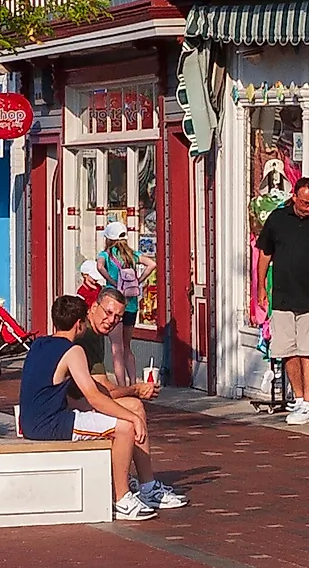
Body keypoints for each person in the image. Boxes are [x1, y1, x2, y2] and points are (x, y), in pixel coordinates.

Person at [16, 292, 185, 520]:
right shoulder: (73, 350)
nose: (112, 320)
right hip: (50, 424)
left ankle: (141, 487)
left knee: (127, 416)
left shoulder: (38, 344)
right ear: (79, 324)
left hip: (32, 421)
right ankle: (122, 498)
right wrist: (132, 417)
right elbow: (95, 395)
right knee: (124, 427)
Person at [254, 175, 309, 424]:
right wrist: (261, 288)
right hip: (282, 297)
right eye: (305, 202)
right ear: (294, 197)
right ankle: (300, 399)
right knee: (287, 351)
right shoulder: (278, 219)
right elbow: (264, 255)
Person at [91, 219, 144, 385]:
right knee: (127, 346)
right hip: (132, 304)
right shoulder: (132, 255)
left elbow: (99, 267)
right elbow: (152, 264)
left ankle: (121, 384)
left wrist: (112, 282)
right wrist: (138, 280)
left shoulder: (106, 255)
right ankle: (133, 381)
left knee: (116, 347)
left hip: (114, 302)